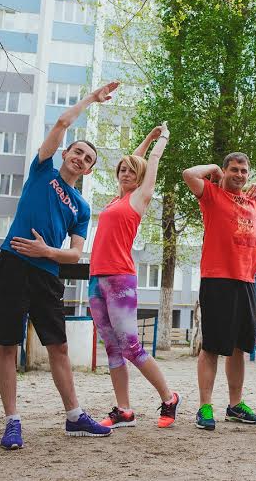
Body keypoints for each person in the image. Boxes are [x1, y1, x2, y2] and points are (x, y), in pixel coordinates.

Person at [0, 82, 120, 450]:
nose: (81, 158)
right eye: (77, 152)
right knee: (7, 344)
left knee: (58, 347)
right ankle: (12, 422)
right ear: (65, 153)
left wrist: (46, 251)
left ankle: (74, 416)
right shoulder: (42, 170)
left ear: (89, 170)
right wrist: (91, 99)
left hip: (46, 275)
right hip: (13, 264)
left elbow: (75, 254)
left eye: (88, 159)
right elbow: (62, 122)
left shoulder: (82, 207)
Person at [88, 122, 181, 429]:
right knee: (112, 348)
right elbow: (134, 160)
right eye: (122, 170)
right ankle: (124, 410)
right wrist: (146, 138)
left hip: (120, 280)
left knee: (130, 347)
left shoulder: (139, 197)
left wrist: (162, 138)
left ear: (139, 177)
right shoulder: (116, 199)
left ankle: (169, 397)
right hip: (96, 278)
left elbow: (149, 162)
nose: (125, 173)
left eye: (131, 171)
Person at [182, 153, 256, 431]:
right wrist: (213, 168)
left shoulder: (251, 202)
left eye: (244, 171)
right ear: (225, 171)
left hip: (246, 280)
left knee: (238, 347)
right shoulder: (211, 195)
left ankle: (235, 406)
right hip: (217, 279)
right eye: (234, 169)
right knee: (212, 346)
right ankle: (205, 407)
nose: (240, 175)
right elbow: (188, 174)